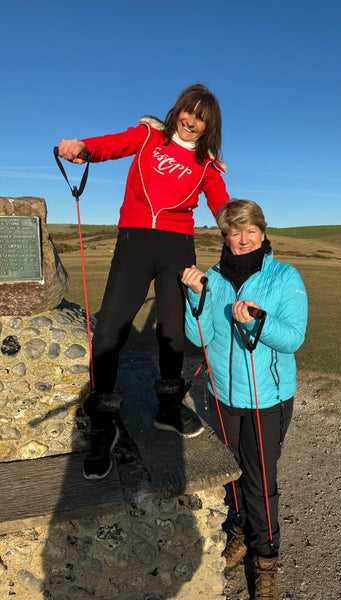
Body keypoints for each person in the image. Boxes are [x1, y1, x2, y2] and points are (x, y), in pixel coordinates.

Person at [57, 84, 229, 480]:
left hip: (178, 247)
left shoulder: (207, 166)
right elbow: (109, 146)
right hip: (134, 240)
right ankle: (103, 421)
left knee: (171, 330)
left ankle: (168, 410)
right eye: (188, 111)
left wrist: (242, 231)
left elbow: (222, 206)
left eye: (200, 117)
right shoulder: (149, 135)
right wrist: (81, 147)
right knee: (112, 328)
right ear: (177, 111)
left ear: (208, 126)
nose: (191, 120)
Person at [181, 199, 308, 600]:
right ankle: (239, 530)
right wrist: (196, 298)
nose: (243, 239)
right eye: (234, 232)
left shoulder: (285, 277)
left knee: (258, 483)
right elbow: (199, 338)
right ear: (224, 236)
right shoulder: (214, 278)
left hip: (267, 398)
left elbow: (293, 338)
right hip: (222, 396)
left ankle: (266, 560)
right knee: (231, 473)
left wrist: (259, 322)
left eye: (250, 230)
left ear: (263, 232)